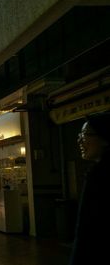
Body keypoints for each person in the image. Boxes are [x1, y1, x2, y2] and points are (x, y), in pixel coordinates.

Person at [70, 112, 110, 265]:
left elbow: (87, 231)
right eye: (80, 134)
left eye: (85, 134)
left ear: (105, 139)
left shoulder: (99, 176)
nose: (80, 140)